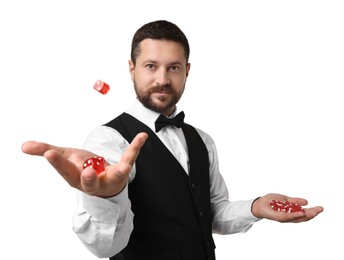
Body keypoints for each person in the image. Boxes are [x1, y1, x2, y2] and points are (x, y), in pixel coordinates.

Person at [21, 20, 324, 260]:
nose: (162, 79)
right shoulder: (108, 139)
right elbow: (105, 248)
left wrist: (256, 207)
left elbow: (213, 212)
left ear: (187, 71)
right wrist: (106, 196)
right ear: (132, 69)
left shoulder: (201, 140)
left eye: (173, 68)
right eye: (151, 66)